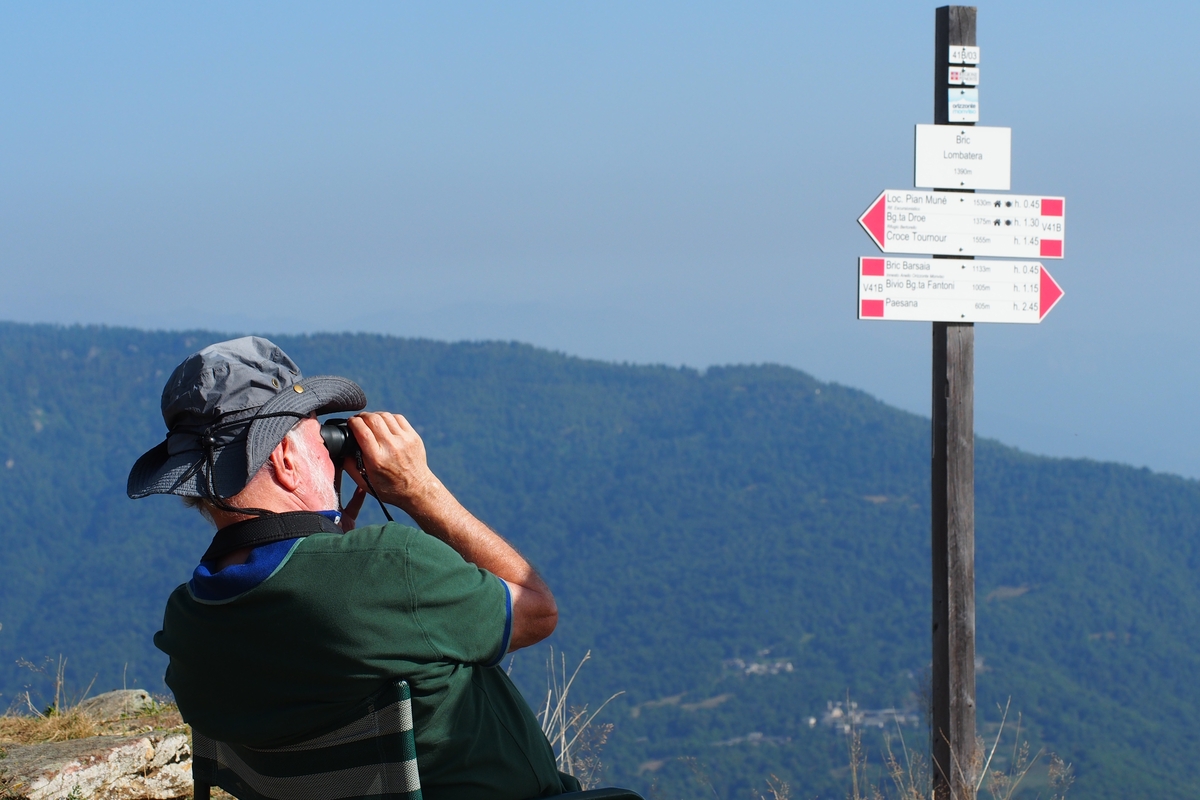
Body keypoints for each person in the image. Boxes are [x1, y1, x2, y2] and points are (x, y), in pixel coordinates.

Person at [128, 336, 580, 799]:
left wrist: (330, 545)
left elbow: (313, 608)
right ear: (285, 459)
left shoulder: (189, 623)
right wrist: (418, 489)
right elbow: (537, 610)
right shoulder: (390, 566)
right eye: (317, 436)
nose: (331, 451)